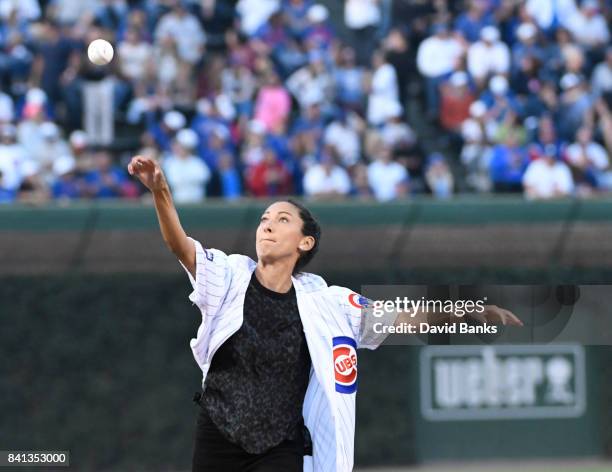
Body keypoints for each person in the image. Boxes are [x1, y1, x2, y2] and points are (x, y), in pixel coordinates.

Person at [126, 154, 522, 472]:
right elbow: (181, 247)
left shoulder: (328, 303)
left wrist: (468, 310)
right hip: (218, 435)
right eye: (264, 219)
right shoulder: (230, 276)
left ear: (305, 241)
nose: (267, 226)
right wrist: (161, 191)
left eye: (282, 220)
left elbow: (402, 318)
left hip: (280, 447)